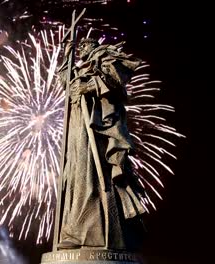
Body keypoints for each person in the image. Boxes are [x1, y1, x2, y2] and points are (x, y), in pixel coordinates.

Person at [56, 38, 146, 250]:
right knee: (76, 175)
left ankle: (93, 233)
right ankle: (75, 229)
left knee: (92, 176)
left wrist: (90, 86)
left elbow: (117, 77)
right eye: (80, 47)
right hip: (78, 127)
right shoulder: (81, 68)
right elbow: (66, 85)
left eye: (86, 45)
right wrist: (66, 58)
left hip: (98, 128)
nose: (82, 48)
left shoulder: (104, 56)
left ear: (94, 46)